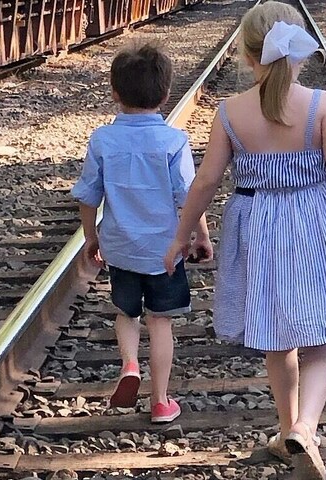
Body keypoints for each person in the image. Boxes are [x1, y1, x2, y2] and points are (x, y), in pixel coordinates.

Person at [163, 4, 326, 478]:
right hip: (316, 223)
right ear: (298, 47)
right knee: (324, 338)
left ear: (245, 52)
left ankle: (288, 432)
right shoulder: (322, 105)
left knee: (279, 336)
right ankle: (305, 427)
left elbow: (204, 183)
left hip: (257, 226)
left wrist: (181, 237)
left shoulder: (229, 112)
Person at [72, 40, 207, 424]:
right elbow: (188, 196)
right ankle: (161, 401)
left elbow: (88, 195)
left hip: (120, 248)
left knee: (126, 313)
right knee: (160, 322)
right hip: (164, 251)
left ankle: (130, 365)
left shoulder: (102, 139)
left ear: (114, 93)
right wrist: (201, 236)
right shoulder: (173, 141)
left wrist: (90, 237)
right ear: (166, 95)